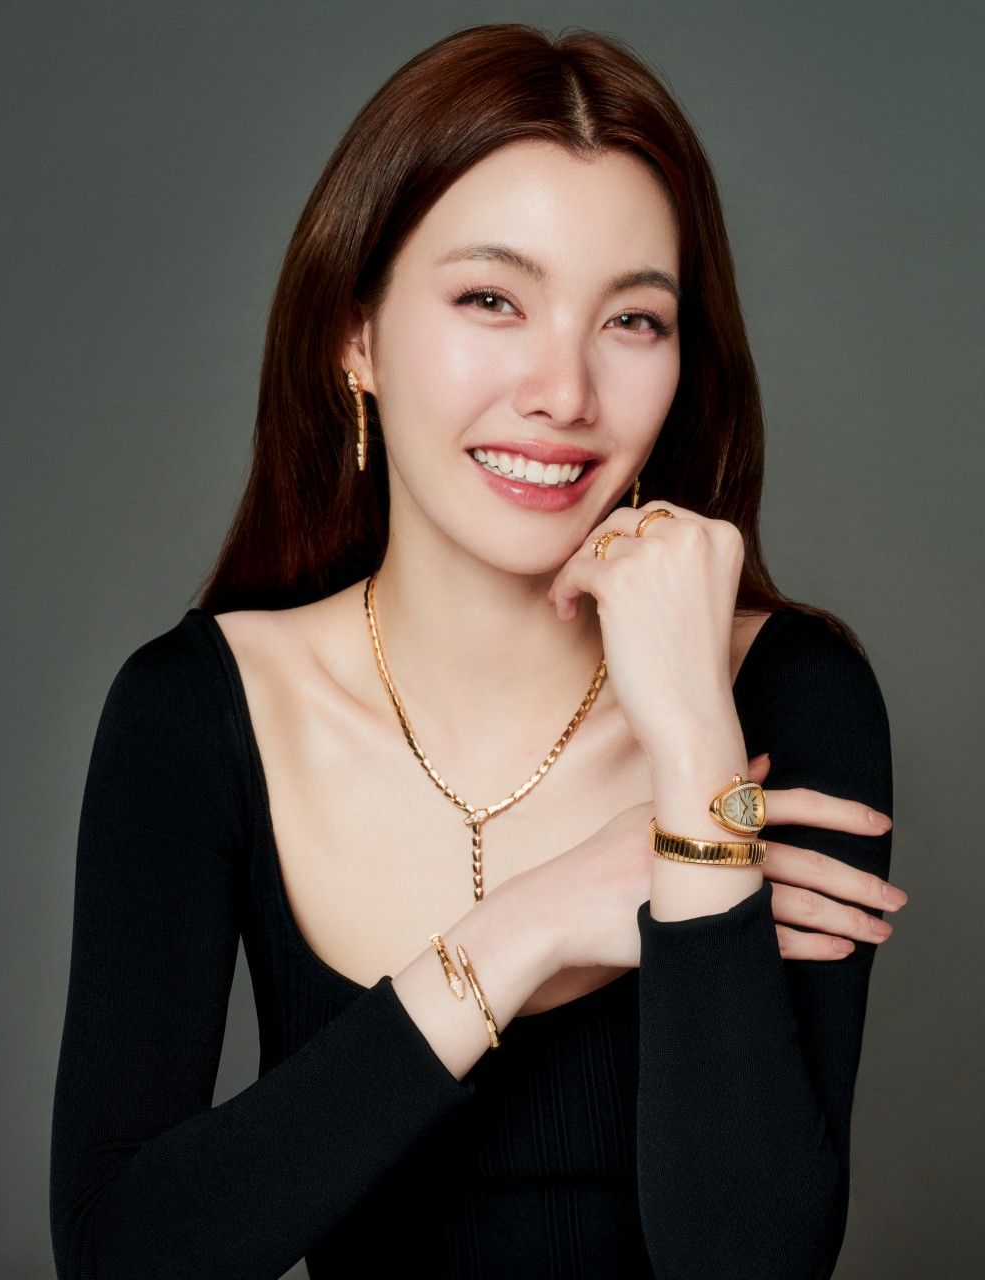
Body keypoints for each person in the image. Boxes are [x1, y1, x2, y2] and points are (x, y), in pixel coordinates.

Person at [49, 21, 906, 1280]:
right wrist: (531, 926)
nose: (564, 392)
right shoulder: (198, 711)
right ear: (354, 335)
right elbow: (124, 1254)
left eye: (633, 319)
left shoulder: (785, 694)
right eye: (491, 299)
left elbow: (750, 1261)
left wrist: (692, 752)